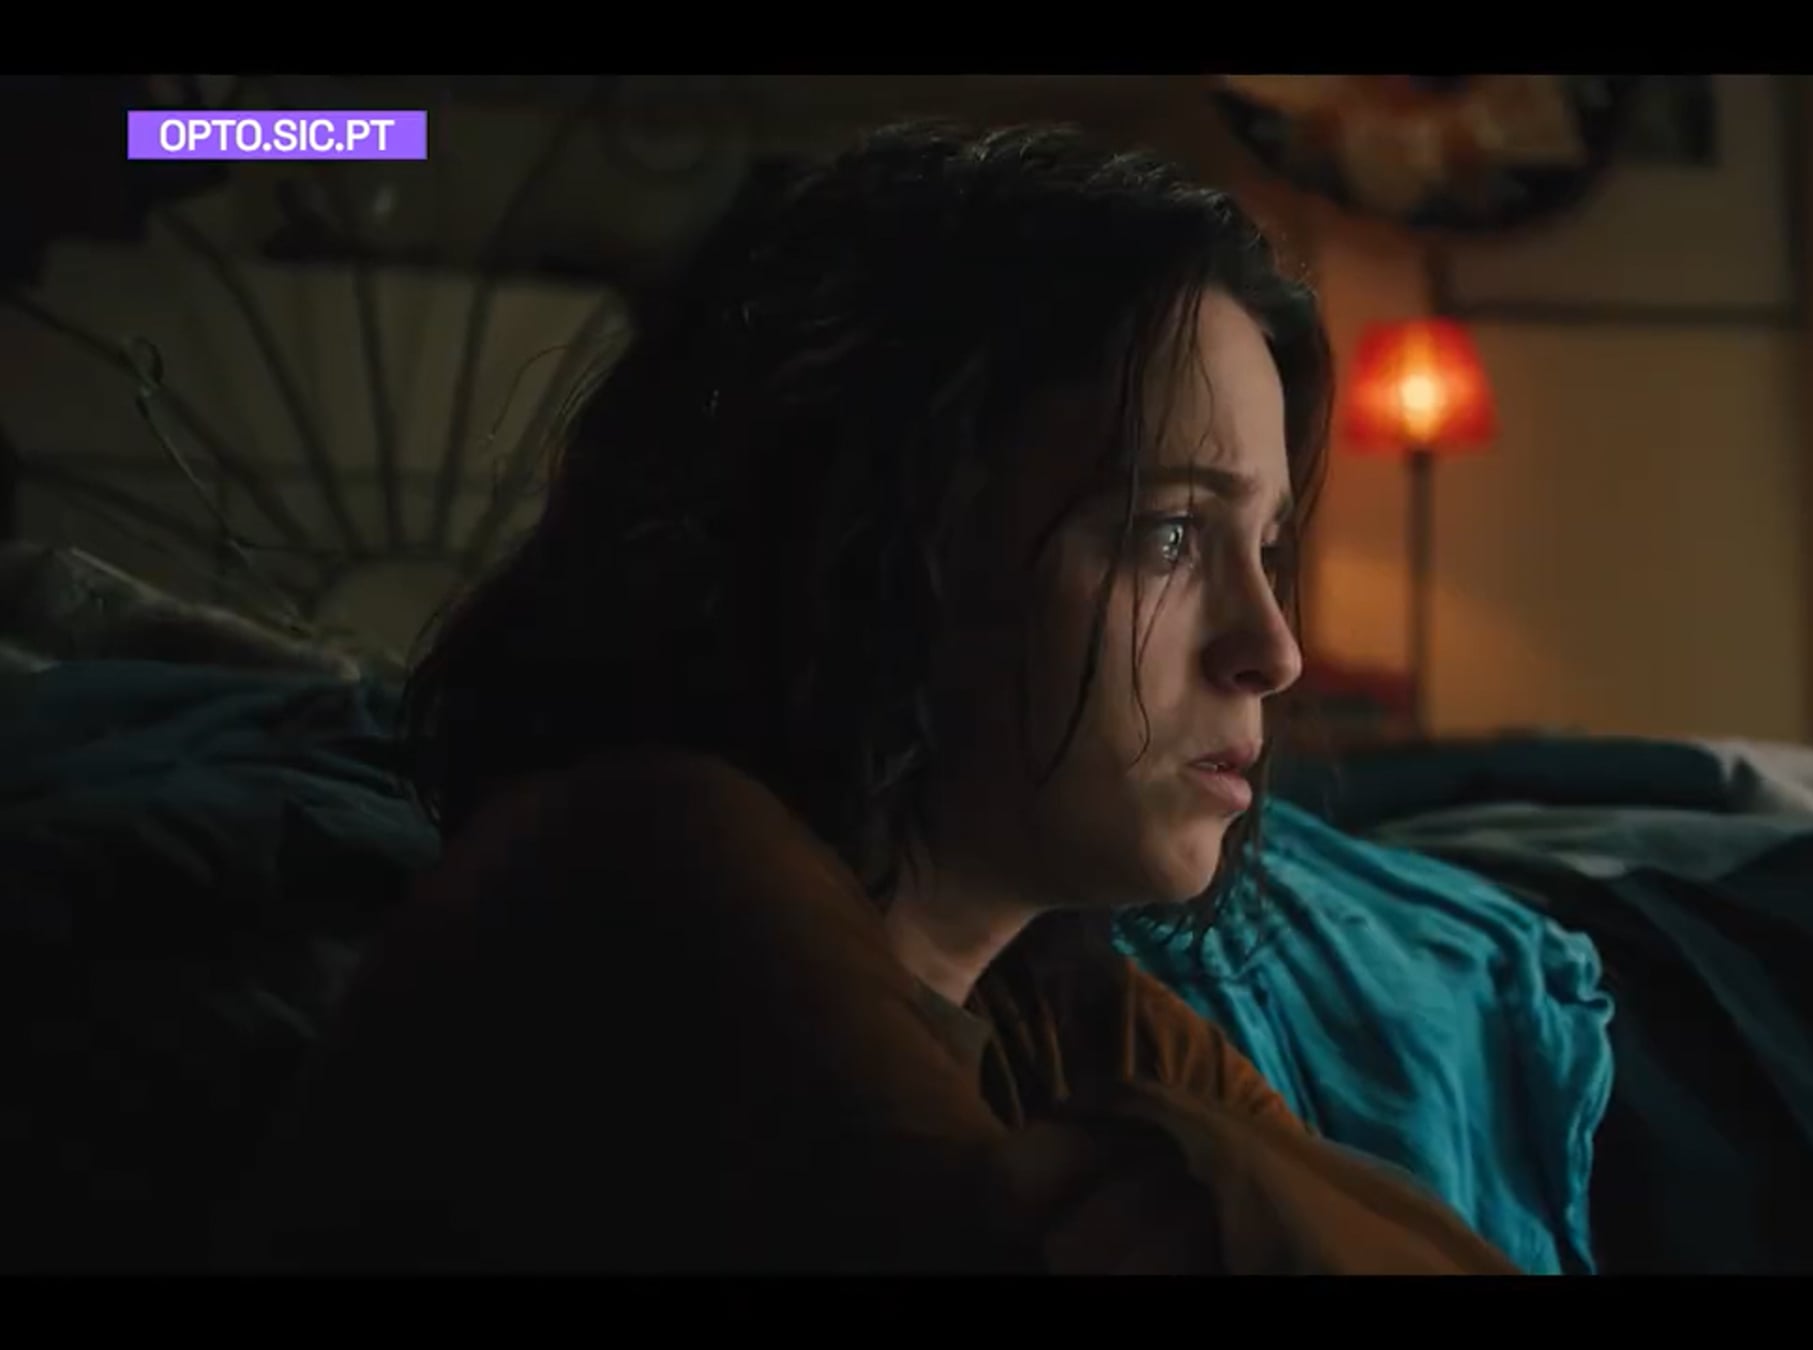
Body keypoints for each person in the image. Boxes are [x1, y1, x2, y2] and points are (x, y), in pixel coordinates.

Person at [214, 121, 1517, 1274]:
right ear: (883, 539)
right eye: (1168, 534)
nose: (1274, 650)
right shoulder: (646, 863)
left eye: (1268, 546)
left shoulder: (1058, 1014)